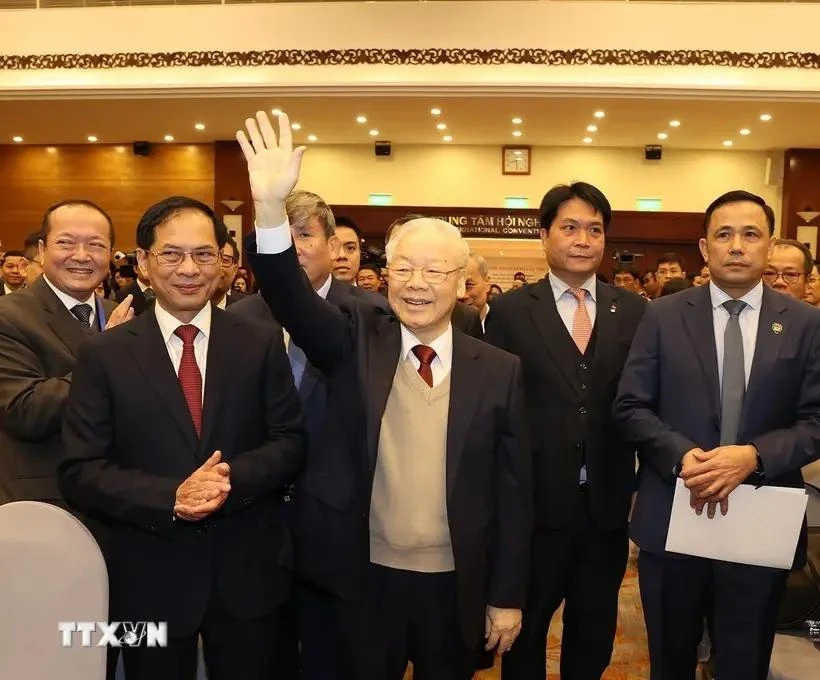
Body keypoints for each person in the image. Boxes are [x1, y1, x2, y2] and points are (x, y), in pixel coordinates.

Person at [237, 110, 532, 680]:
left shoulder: (500, 370)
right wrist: (270, 210)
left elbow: (515, 496)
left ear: (461, 281)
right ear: (387, 273)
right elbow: (287, 293)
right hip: (363, 579)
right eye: (404, 269)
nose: (417, 284)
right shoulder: (354, 342)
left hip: (455, 582)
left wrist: (507, 594)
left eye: (434, 271)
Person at [58, 195, 306, 680]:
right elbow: (80, 470)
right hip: (147, 575)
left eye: (204, 254)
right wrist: (171, 497)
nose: (189, 268)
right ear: (145, 264)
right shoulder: (103, 355)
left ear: (224, 262)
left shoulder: (259, 341)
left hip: (247, 573)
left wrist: (226, 483)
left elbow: (290, 440)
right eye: (171, 254)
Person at [613, 190, 820, 680]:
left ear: (769, 247)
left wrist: (753, 456)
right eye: (723, 234)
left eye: (751, 234)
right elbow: (630, 406)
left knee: (743, 663)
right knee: (670, 659)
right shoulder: (662, 316)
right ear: (704, 249)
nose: (737, 246)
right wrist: (684, 456)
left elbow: (815, 420)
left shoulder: (806, 325)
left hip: (760, 519)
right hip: (674, 514)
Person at [486, 182, 647, 679]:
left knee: (594, 633)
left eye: (595, 229)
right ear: (544, 235)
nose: (583, 240)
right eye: (570, 227)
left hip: (605, 506)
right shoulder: (511, 311)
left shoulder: (636, 310)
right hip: (534, 508)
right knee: (525, 634)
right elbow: (496, 409)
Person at [0, 200, 132, 508]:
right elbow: (25, 411)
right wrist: (106, 352)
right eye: (66, 243)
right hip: (46, 505)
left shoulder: (120, 315)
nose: (82, 256)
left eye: (96, 245)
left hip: (121, 501)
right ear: (43, 250)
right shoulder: (9, 316)